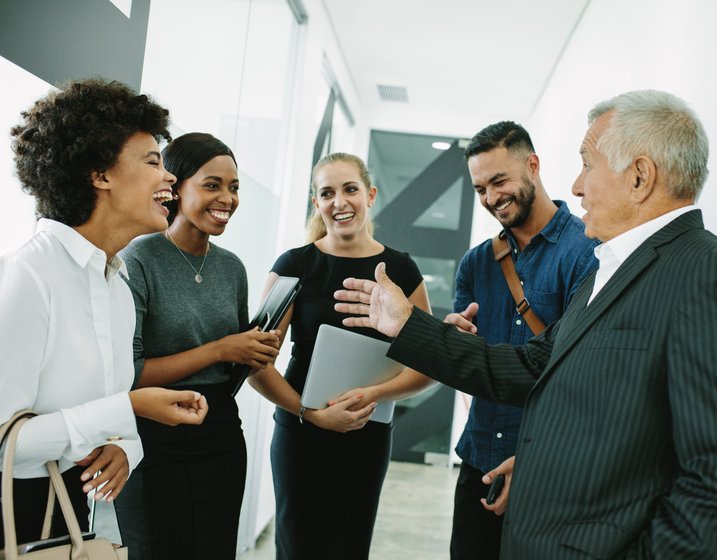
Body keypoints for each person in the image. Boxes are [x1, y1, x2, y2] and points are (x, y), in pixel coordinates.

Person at [335, 90, 717, 559]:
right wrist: (408, 325)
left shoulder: (710, 271)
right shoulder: (610, 268)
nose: (576, 187)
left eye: (587, 166)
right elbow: (534, 366)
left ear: (639, 176)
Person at [0, 79, 209, 548]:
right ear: (100, 175)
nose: (169, 177)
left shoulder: (117, 285)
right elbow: (3, 445)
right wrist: (130, 407)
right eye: (153, 162)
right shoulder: (25, 275)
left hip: (69, 515)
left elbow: (108, 422)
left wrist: (124, 447)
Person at [245, 152, 434, 559]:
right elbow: (254, 362)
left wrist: (372, 396)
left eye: (350, 189)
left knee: (350, 548)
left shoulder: (401, 269)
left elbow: (427, 365)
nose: (339, 202)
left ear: (370, 194)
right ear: (316, 203)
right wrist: (308, 412)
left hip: (366, 437)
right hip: (301, 434)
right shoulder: (295, 264)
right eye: (326, 193)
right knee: (298, 547)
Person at [112, 133, 279, 559]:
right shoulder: (138, 258)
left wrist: (251, 352)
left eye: (234, 187)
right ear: (175, 186)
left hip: (220, 431)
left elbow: (230, 370)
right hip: (152, 432)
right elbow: (129, 373)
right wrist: (223, 349)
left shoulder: (232, 268)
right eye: (212, 184)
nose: (227, 198)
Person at [447, 121, 597, 559]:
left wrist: (535, 466)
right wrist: (455, 341)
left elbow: (583, 377)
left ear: (533, 165)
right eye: (480, 189)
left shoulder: (586, 253)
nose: (491, 198)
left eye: (499, 181)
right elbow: (469, 370)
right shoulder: (475, 264)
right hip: (478, 461)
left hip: (548, 470)